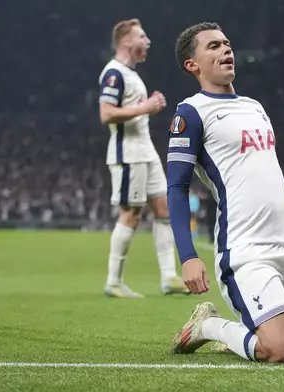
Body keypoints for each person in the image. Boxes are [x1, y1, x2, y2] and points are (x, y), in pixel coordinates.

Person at [166, 22, 284, 363]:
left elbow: (275, 180)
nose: (226, 50)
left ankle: (265, 328)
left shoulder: (255, 107)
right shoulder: (190, 112)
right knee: (283, 350)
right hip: (246, 252)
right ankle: (209, 326)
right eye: (214, 46)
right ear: (192, 64)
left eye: (228, 44)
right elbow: (177, 187)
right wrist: (188, 256)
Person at [98, 19, 188, 298]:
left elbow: (134, 110)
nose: (147, 41)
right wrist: (145, 106)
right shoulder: (114, 73)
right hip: (129, 153)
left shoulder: (131, 73)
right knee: (131, 214)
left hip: (145, 151)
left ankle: (169, 278)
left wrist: (148, 106)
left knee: (164, 210)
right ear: (126, 41)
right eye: (142, 35)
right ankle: (113, 282)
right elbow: (106, 114)